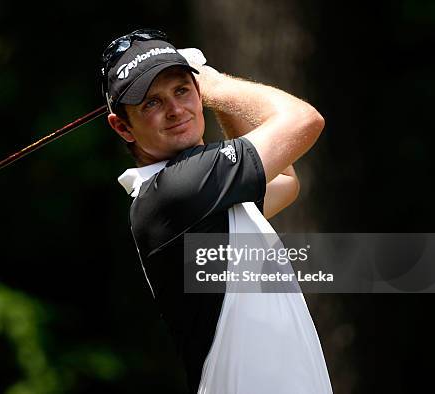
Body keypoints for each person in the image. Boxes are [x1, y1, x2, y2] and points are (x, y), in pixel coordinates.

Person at [101, 29, 333, 393]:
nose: (176, 110)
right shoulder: (177, 190)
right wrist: (215, 84)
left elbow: (285, 182)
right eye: (152, 103)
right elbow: (304, 120)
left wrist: (215, 96)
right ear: (122, 126)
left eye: (181, 90)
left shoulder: (201, 193)